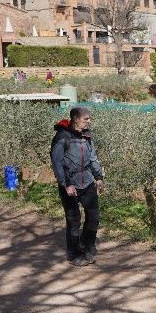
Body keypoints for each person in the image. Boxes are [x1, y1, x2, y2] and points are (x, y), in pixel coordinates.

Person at [50, 106, 105, 267]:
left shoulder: (87, 136)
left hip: (87, 182)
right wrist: (66, 184)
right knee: (74, 221)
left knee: (94, 218)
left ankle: (86, 246)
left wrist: (98, 177)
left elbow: (93, 158)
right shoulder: (62, 137)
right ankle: (73, 254)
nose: (89, 121)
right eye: (85, 119)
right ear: (75, 119)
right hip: (69, 184)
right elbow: (57, 163)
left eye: (89, 118)